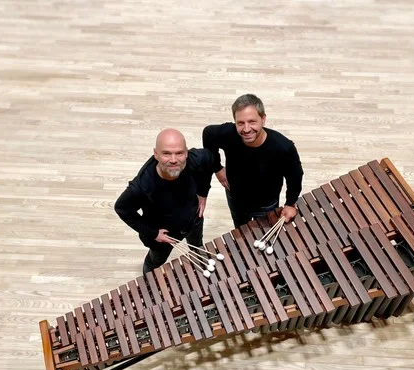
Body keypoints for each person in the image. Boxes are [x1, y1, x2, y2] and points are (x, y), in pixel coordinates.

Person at [114, 128, 216, 274]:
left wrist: (203, 192)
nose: (174, 160)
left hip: (193, 219)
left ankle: (198, 254)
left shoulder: (196, 160)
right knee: (156, 261)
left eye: (179, 153)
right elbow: (122, 209)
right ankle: (149, 283)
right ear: (156, 154)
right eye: (166, 153)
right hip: (164, 236)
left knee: (196, 244)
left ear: (186, 152)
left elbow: (210, 160)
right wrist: (153, 233)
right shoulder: (142, 186)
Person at [202, 94, 304, 228]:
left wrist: (290, 203)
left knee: (263, 233)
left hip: (266, 204)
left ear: (263, 119)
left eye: (252, 122)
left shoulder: (283, 148)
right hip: (236, 198)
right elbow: (208, 134)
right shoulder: (228, 134)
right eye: (240, 123)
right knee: (241, 232)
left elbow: (295, 176)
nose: (246, 129)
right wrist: (217, 168)